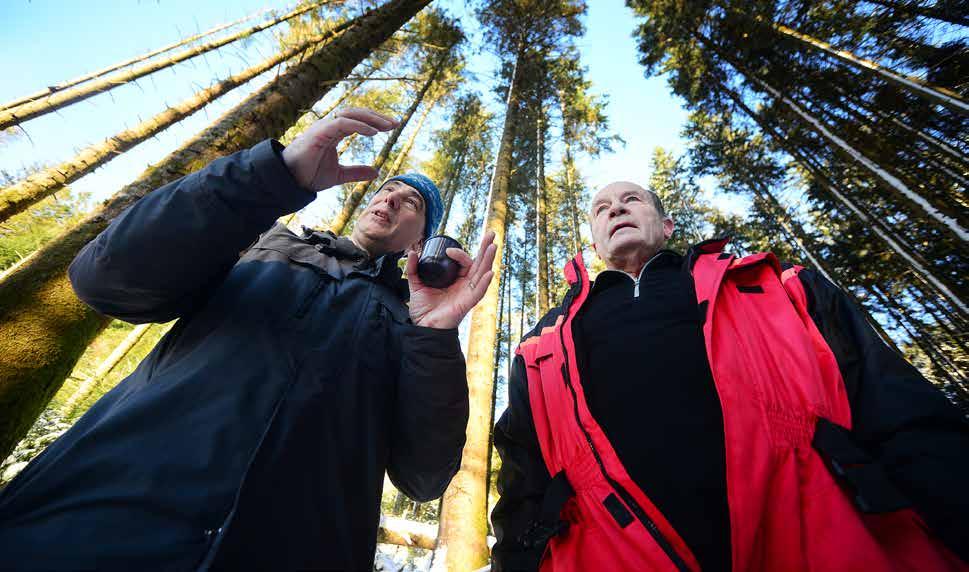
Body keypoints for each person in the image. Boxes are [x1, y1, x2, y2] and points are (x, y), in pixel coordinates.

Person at [0, 108, 497, 570]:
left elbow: (425, 475)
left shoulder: (416, 327)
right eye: (386, 190)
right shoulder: (266, 240)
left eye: (409, 201)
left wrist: (434, 336)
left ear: (423, 240)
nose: (388, 198)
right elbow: (104, 279)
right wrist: (272, 178)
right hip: (88, 524)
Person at [491, 181, 968, 571]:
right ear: (594, 242)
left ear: (667, 225)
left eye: (631, 199)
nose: (615, 208)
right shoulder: (542, 348)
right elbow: (523, 491)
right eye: (601, 208)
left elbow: (901, 414)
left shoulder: (778, 288)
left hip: (821, 538)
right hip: (609, 554)